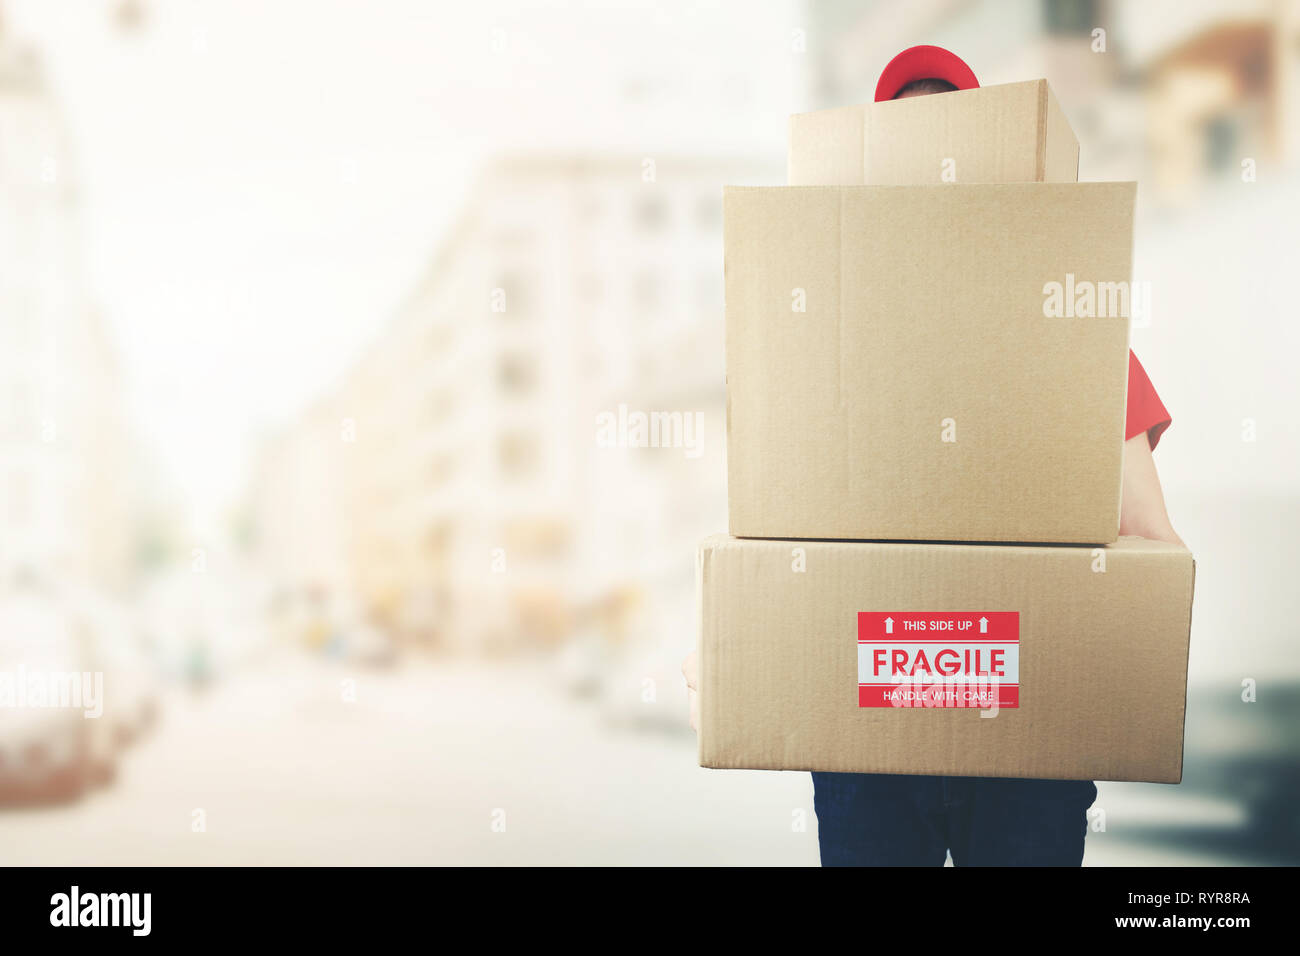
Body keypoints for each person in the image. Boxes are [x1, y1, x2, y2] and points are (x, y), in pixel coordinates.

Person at [681, 45, 1183, 866]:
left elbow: (1151, 541)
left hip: (1028, 748)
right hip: (868, 742)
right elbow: (766, 526)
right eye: (911, 137)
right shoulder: (818, 346)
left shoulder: (1085, 343)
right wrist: (719, 634)